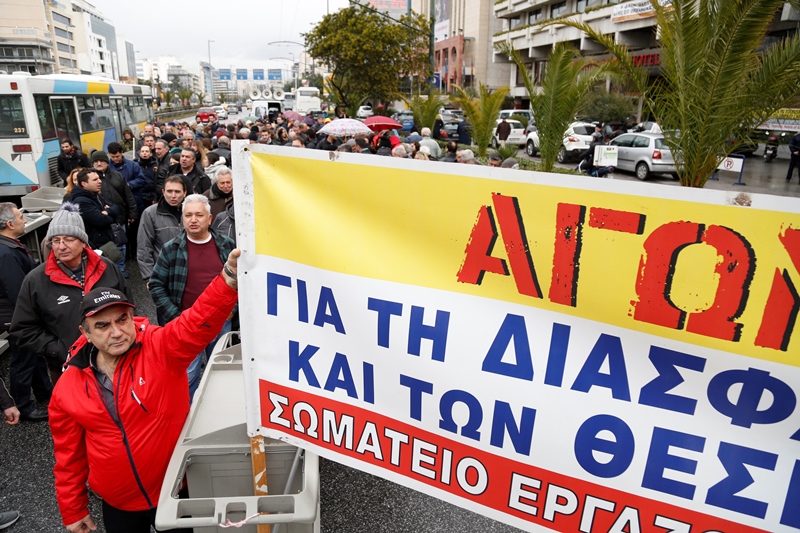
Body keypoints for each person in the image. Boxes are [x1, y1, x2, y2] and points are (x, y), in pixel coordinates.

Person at [49, 250, 239, 533]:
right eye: (102, 325)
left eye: (122, 319)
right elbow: (68, 457)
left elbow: (198, 321)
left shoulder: (161, 348)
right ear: (85, 333)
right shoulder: (68, 387)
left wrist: (229, 279)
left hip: (175, 490)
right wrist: (73, 509)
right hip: (118, 503)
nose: (116, 332)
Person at [10, 203, 129, 386]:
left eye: (68, 239)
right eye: (56, 240)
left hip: (115, 360)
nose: (61, 246)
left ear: (83, 241)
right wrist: (56, 350)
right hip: (67, 367)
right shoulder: (36, 280)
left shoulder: (106, 267)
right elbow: (23, 328)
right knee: (76, 412)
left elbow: (128, 309)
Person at [149, 194, 236, 401]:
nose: (193, 219)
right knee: (187, 376)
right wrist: (176, 316)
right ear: (182, 219)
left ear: (210, 218)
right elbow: (156, 285)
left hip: (220, 323)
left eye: (199, 214)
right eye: (188, 215)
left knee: (222, 372)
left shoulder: (226, 245)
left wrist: (232, 310)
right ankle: (186, 420)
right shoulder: (171, 249)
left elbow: (241, 281)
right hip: (187, 325)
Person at [0, 203, 51, 421]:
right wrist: (34, 313)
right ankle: (23, 405)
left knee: (35, 354)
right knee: (24, 359)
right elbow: (17, 290)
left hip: (21, 314)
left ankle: (44, 391)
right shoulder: (5, 253)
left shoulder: (9, 245)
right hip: (16, 316)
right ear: (10, 224)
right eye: (21, 217)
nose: (25, 220)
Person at [137, 176, 186, 293]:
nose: (173, 196)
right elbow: (144, 246)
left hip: (188, 273)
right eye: (169, 191)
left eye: (177, 191)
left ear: (185, 193)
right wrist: (149, 276)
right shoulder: (150, 213)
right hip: (163, 273)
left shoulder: (191, 212)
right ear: (163, 192)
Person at [70, 169, 120, 250]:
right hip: (98, 246)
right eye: (95, 180)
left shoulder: (95, 195)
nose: (100, 181)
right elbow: (101, 220)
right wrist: (111, 215)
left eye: (99, 178)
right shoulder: (81, 202)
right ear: (84, 184)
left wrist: (107, 212)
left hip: (108, 241)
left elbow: (116, 208)